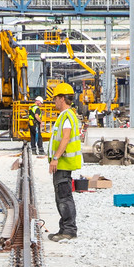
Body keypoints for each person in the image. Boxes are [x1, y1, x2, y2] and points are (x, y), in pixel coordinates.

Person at [48, 84, 82, 241]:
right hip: (63, 163)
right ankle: (64, 229)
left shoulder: (67, 116)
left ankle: (69, 231)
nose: (54, 101)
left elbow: (65, 138)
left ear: (62, 98)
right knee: (61, 197)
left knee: (64, 197)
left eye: (55, 98)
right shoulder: (65, 115)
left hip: (63, 163)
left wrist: (55, 158)